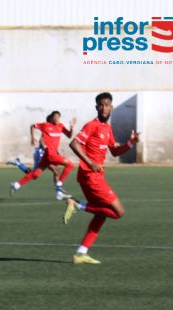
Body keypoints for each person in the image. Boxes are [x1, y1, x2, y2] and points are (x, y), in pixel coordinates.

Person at [62, 92, 139, 264]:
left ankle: (81, 253)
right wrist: (89, 162)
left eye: (107, 105)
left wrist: (130, 143)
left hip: (92, 176)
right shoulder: (92, 125)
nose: (104, 108)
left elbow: (114, 151)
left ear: (111, 107)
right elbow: (74, 143)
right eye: (101, 105)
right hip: (91, 176)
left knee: (101, 215)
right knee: (119, 212)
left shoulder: (107, 128)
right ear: (96, 107)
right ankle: (77, 205)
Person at [10, 111, 76, 200]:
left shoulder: (60, 126)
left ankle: (17, 185)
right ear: (51, 118)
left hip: (47, 155)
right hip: (48, 154)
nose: (57, 119)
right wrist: (33, 138)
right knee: (70, 165)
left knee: (35, 174)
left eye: (59, 117)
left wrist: (71, 127)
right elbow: (33, 126)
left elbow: (69, 135)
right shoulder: (45, 125)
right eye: (56, 117)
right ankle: (59, 185)